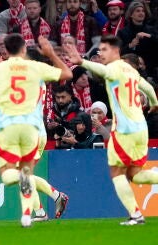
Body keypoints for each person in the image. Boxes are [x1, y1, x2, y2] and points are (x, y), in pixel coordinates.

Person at [0, 34, 72, 227]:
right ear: (24, 49)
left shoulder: (0, 69)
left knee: (14, 173)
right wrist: (51, 54)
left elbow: (0, 94)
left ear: (6, 50)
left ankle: (52, 198)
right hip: (34, 129)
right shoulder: (36, 72)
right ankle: (38, 211)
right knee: (26, 172)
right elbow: (66, 74)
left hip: (11, 127)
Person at [65, 34, 158, 225]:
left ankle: (136, 215)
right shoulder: (131, 71)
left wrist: (82, 61)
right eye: (100, 50)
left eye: (105, 49)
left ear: (116, 51)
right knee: (135, 174)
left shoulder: (115, 67)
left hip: (125, 130)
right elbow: (148, 88)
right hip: (141, 128)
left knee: (117, 173)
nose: (101, 53)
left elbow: (103, 71)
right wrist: (155, 103)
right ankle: (136, 214)